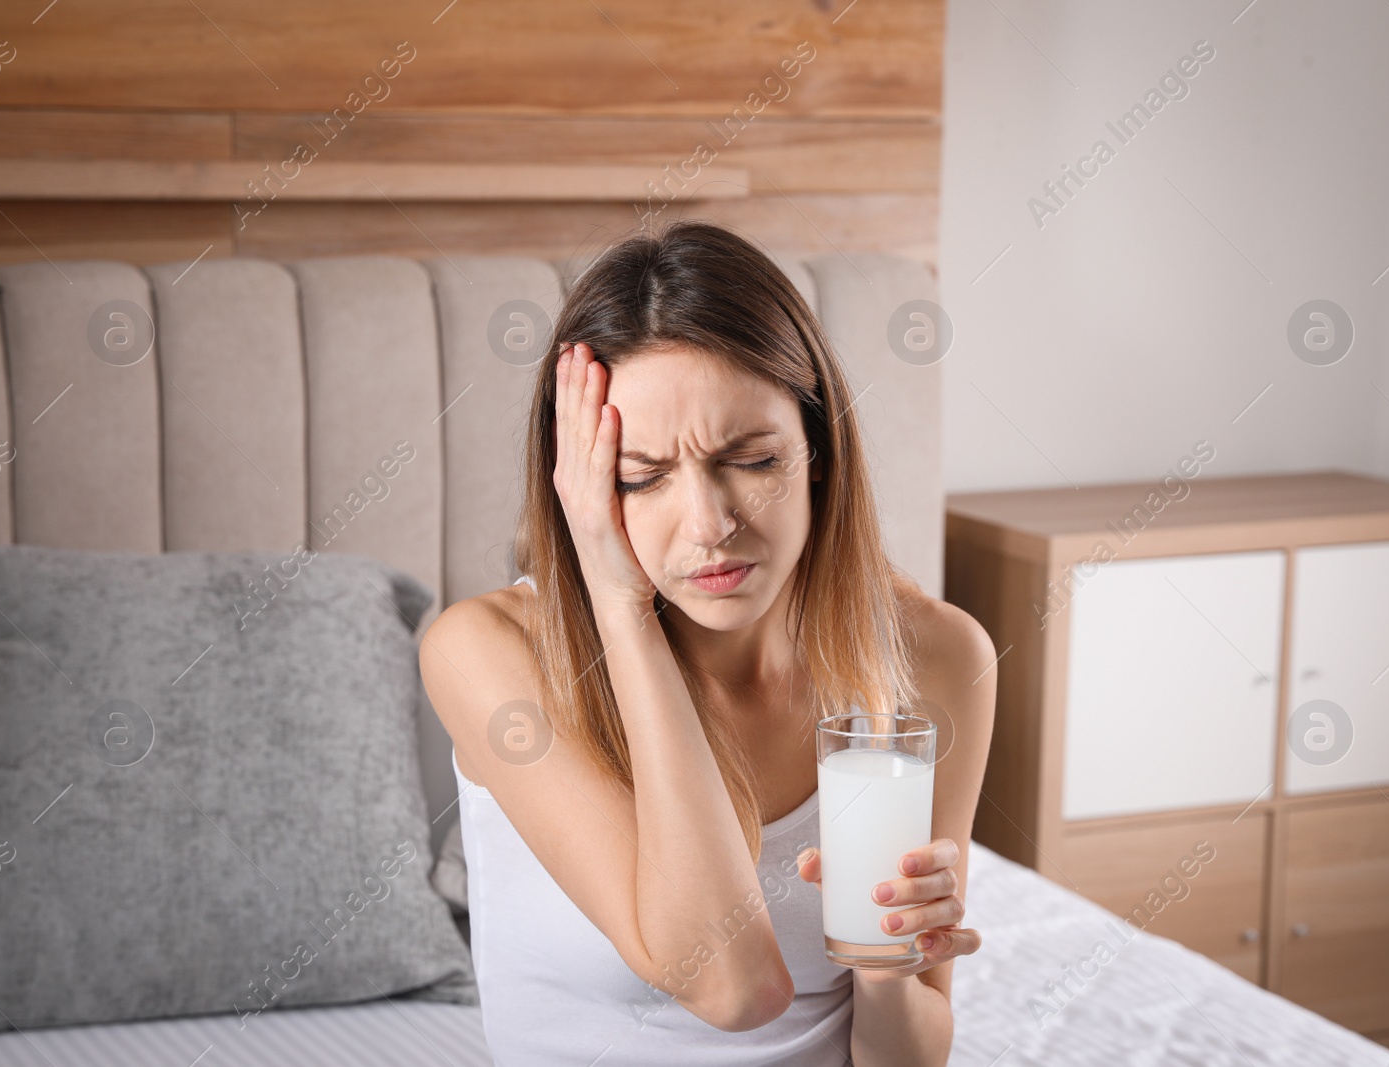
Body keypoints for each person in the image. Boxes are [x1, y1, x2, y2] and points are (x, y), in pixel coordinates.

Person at [419, 220, 997, 1065]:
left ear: (818, 450)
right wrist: (620, 610)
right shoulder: (487, 654)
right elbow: (733, 985)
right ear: (582, 490)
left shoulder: (936, 657)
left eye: (752, 460)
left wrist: (884, 959)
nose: (709, 525)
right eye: (640, 478)